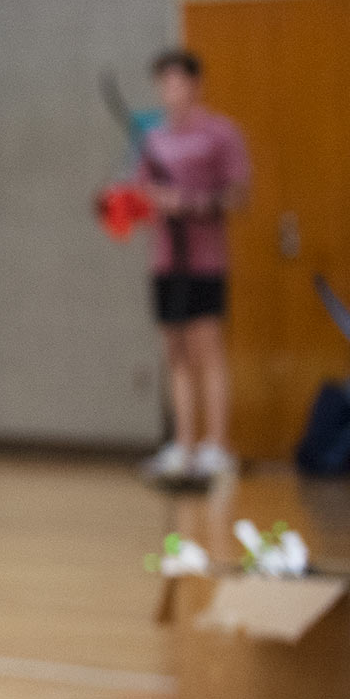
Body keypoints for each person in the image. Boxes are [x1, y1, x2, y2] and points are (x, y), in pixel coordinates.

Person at [132, 48, 250, 487]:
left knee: (207, 350)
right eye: (164, 82)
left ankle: (215, 446)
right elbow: (140, 191)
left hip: (203, 260)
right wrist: (149, 202)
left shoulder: (221, 134)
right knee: (175, 352)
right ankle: (183, 443)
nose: (170, 90)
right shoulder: (153, 139)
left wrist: (194, 204)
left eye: (178, 81)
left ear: (195, 86)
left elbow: (239, 194)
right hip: (165, 259)